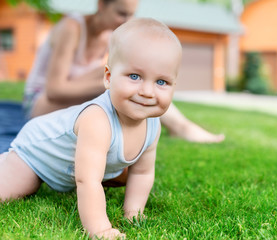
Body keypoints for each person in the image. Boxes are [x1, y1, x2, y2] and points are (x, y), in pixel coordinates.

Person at [0, 18, 182, 239]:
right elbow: (87, 180)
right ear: (108, 77)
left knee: (124, 175)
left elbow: (142, 172)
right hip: (34, 153)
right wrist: (100, 229)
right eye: (134, 76)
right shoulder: (98, 120)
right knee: (14, 189)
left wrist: (133, 213)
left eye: (161, 82)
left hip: (67, 167)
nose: (147, 91)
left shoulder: (152, 124)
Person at [23, 0, 224, 143]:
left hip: (75, 102)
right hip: (41, 102)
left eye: (131, 14)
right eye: (122, 13)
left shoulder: (110, 37)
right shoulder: (72, 28)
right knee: (126, 81)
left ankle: (180, 126)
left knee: (130, 76)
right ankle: (181, 127)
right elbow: (54, 90)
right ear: (101, 5)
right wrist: (119, 84)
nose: (127, 20)